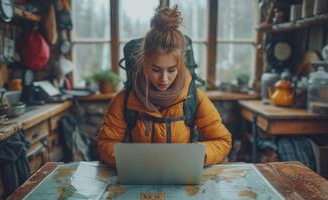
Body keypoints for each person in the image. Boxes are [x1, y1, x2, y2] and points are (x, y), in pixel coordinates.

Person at [97, 6, 232, 167]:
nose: (164, 79)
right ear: (144, 62)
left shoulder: (194, 98)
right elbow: (105, 143)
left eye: (172, 70)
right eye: (156, 70)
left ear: (180, 65)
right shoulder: (124, 100)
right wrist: (130, 160)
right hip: (138, 180)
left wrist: (199, 155)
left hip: (182, 179)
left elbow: (222, 140)